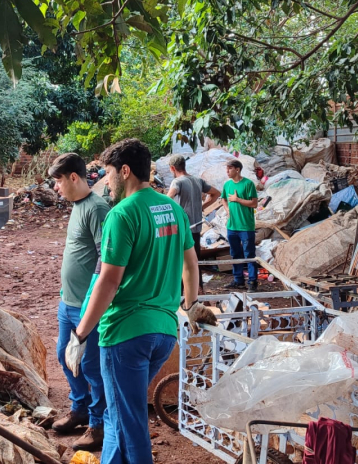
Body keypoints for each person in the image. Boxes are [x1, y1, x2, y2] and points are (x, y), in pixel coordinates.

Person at [65, 139, 216, 464]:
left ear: (125, 170)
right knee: (118, 413)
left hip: (126, 335)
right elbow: (191, 264)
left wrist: (80, 335)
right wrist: (189, 306)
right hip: (163, 333)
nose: (106, 183)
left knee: (129, 423)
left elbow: (108, 281)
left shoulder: (122, 214)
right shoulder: (172, 208)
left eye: (108, 174)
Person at [48, 153, 110, 451]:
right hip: (67, 303)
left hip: (87, 307)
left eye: (58, 180)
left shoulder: (97, 208)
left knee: (91, 367)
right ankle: (80, 408)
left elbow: (106, 258)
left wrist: (91, 300)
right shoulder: (77, 206)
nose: (56, 187)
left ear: (74, 177)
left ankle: (97, 425)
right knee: (64, 356)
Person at [166, 154, 220, 289]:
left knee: (179, 262)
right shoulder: (198, 181)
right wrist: (202, 207)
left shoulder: (177, 182)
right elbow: (216, 193)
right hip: (196, 228)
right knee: (195, 262)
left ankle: (180, 295)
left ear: (173, 168)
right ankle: (197, 292)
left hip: (183, 230)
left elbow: (167, 199)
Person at [220, 159, 259, 291]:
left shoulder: (248, 184)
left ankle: (253, 282)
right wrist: (226, 209)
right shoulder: (227, 184)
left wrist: (237, 200)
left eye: (229, 168)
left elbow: (254, 203)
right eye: (226, 169)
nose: (227, 171)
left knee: (249, 255)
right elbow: (223, 198)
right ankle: (238, 280)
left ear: (237, 169)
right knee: (235, 254)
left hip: (246, 226)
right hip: (232, 226)